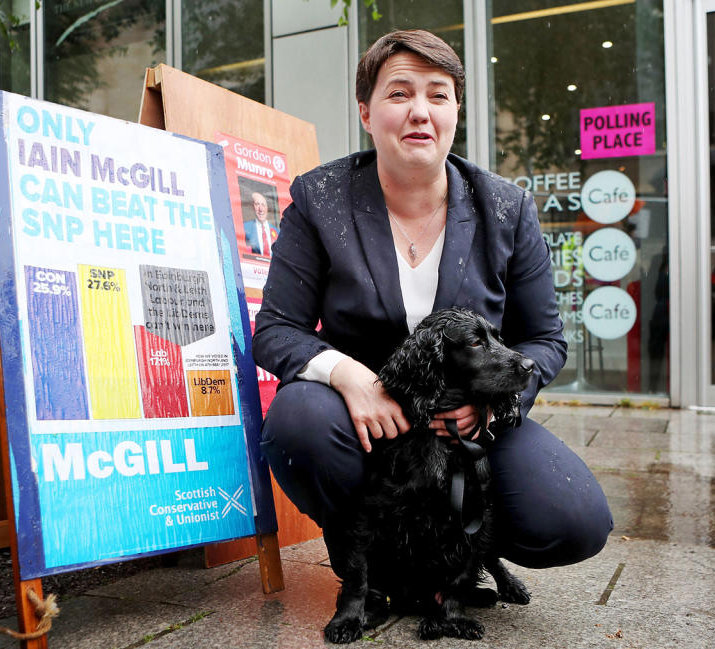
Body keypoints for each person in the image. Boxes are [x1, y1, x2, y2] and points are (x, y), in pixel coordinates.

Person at [253, 30, 612, 580]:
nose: (420, 111)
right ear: (367, 113)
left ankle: (455, 554)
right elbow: (276, 328)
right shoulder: (320, 198)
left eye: (438, 95)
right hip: (365, 423)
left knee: (573, 519)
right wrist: (349, 376)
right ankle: (371, 564)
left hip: (465, 426)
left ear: (455, 112)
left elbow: (545, 340)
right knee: (297, 421)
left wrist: (491, 406)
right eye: (399, 93)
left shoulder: (506, 207)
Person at [243, 191, 278, 256]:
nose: (261, 209)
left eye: (263, 205)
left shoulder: (277, 232)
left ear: (267, 208)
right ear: (252, 207)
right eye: (257, 204)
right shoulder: (245, 228)